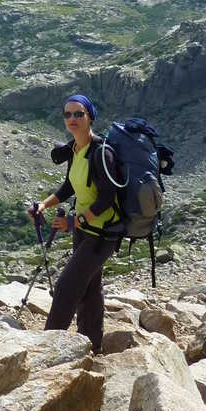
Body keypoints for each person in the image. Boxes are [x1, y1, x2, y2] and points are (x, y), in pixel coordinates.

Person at [30, 93, 122, 354]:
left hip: (102, 234)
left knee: (66, 289)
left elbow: (107, 198)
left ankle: (45, 351)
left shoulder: (102, 152)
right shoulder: (75, 149)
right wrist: (44, 205)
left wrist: (74, 221)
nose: (72, 118)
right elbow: (70, 185)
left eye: (78, 114)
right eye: (68, 114)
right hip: (83, 231)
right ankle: (92, 348)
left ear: (90, 117)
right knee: (90, 289)